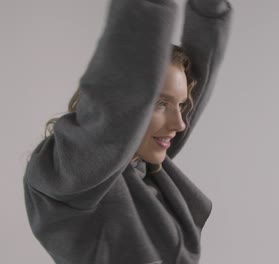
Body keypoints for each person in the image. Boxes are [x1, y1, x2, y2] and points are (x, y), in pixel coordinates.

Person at [22, 0, 232, 263]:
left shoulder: (141, 163)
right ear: (124, 102)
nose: (180, 124)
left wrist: (210, 9)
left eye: (180, 104)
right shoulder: (77, 171)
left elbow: (202, 67)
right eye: (159, 103)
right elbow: (127, 64)